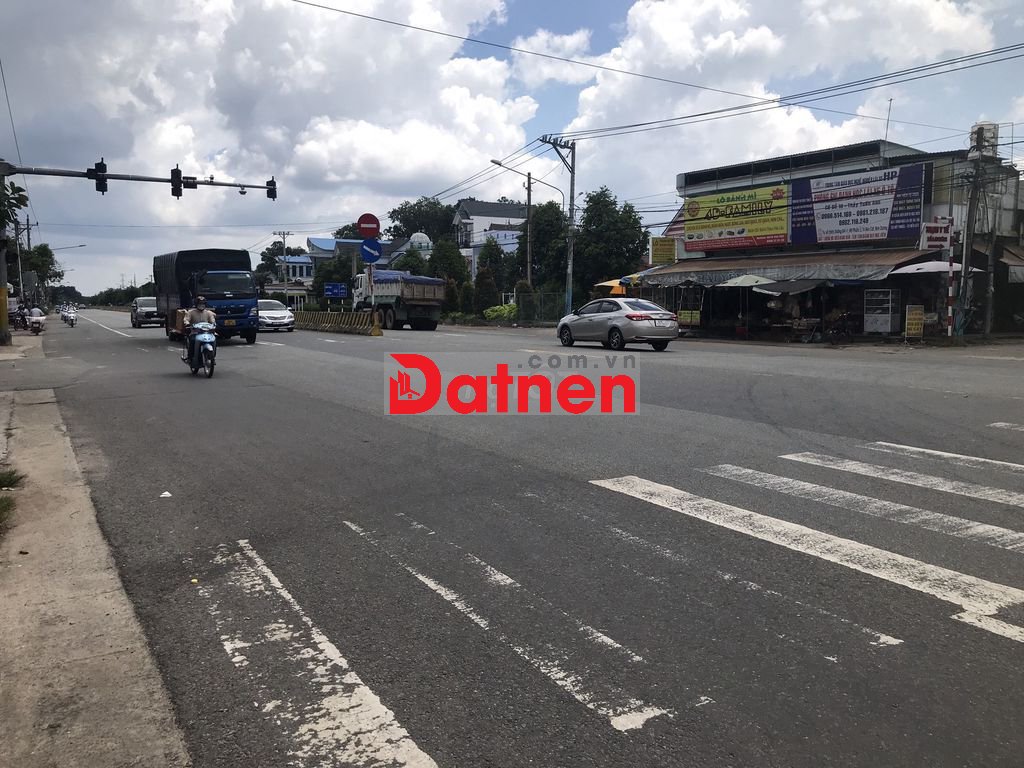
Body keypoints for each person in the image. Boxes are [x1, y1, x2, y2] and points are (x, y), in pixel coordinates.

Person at [182, 296, 216, 362]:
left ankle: (213, 357)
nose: (201, 305)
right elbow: (186, 319)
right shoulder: (191, 312)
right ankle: (190, 358)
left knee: (214, 339)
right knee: (192, 340)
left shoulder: (208, 313)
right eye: (200, 304)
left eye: (203, 304)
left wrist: (214, 324)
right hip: (195, 332)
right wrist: (187, 324)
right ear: (196, 304)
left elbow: (212, 320)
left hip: (207, 332)